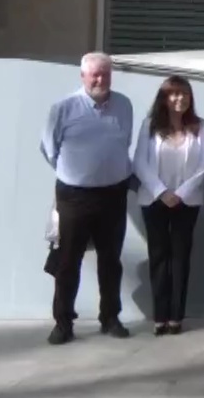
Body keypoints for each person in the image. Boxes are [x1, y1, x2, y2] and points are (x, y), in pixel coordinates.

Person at [40, 53, 136, 345]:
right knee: (68, 261)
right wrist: (76, 173)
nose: (100, 80)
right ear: (82, 76)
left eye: (105, 74)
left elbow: (125, 142)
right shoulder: (64, 108)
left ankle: (110, 317)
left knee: (111, 261)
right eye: (94, 74)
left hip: (113, 194)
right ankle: (63, 323)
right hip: (75, 197)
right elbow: (48, 149)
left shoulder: (124, 105)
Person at [131, 75, 204, 336]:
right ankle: (160, 317)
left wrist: (181, 192)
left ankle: (176, 316)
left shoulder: (200, 126)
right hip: (154, 200)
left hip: (187, 201)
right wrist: (162, 192)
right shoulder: (150, 125)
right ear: (164, 98)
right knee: (159, 257)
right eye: (174, 94)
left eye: (185, 94)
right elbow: (139, 163)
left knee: (180, 257)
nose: (180, 99)